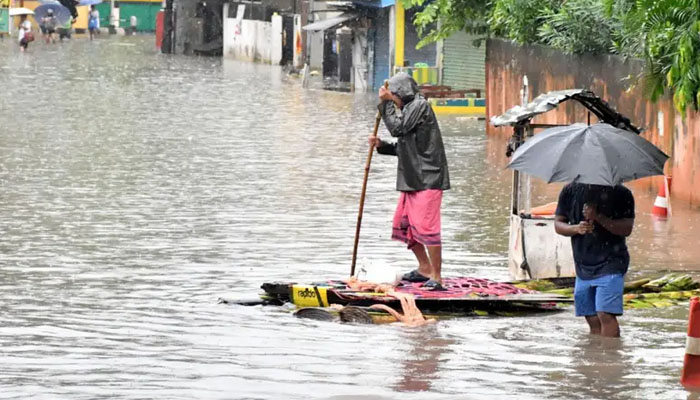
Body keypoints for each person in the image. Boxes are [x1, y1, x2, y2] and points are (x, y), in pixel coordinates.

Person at [369, 72, 450, 290]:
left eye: (393, 96)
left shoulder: (419, 106)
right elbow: (405, 146)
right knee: (403, 225)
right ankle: (424, 268)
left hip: (428, 178)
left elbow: (397, 128)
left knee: (427, 227)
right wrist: (382, 146)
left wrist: (385, 104)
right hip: (412, 179)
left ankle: (437, 277)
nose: (392, 100)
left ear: (401, 93)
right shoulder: (408, 110)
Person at [554, 183, 635, 337]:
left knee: (605, 313)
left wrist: (598, 217)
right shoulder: (569, 190)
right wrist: (576, 228)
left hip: (612, 262)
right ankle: (596, 355)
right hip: (583, 264)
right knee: (590, 316)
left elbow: (626, 229)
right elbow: (558, 224)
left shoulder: (621, 193)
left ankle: (610, 357)